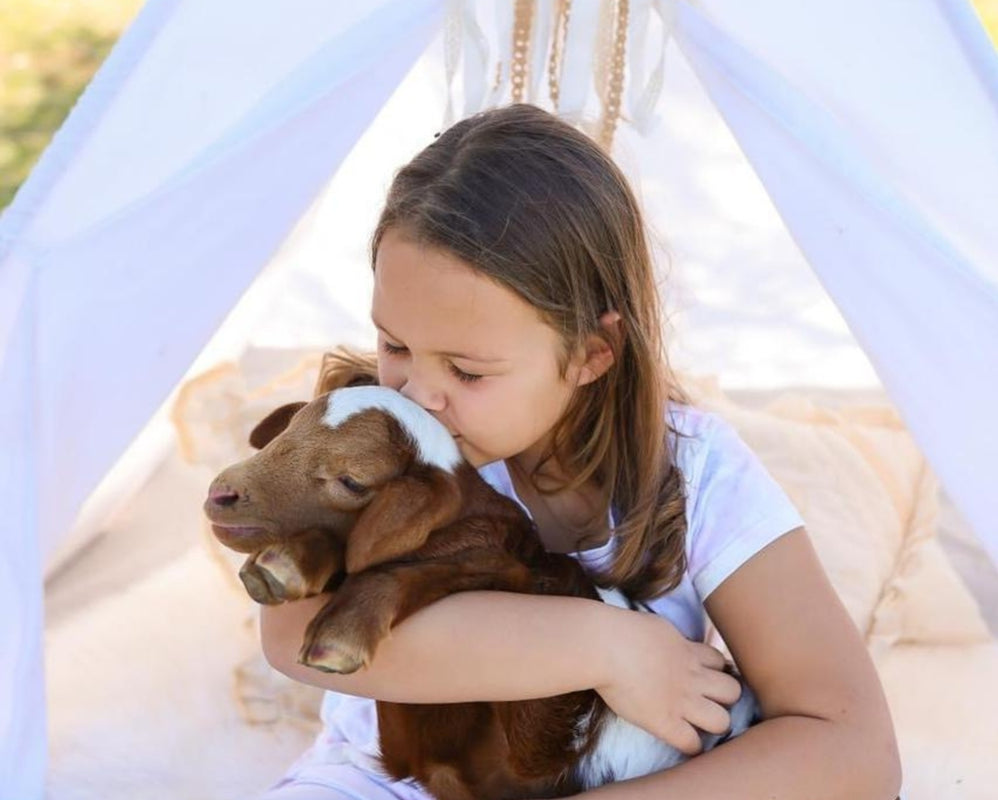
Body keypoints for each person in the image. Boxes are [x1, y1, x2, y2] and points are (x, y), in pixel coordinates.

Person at [256, 103, 901, 800]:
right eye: (395, 345)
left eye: (466, 372)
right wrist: (608, 648)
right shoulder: (367, 438)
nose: (417, 394)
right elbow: (294, 638)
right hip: (382, 782)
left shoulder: (696, 472)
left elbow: (852, 748)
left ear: (592, 352)